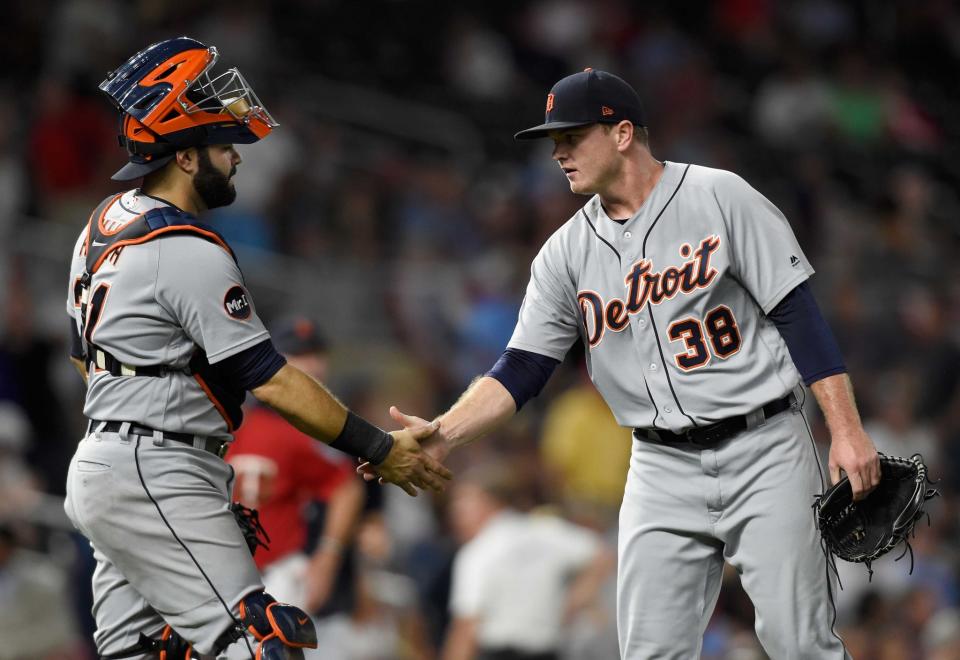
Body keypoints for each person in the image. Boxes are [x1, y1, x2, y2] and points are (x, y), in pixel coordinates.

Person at [366, 69, 880, 658]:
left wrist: (845, 430)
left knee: (800, 644)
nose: (558, 153)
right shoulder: (564, 254)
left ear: (622, 133)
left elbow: (800, 318)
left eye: (571, 136)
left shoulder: (719, 196)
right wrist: (445, 434)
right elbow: (521, 369)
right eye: (553, 141)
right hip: (660, 467)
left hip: (765, 446)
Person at [62, 37, 449, 660]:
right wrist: (380, 448)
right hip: (154, 469)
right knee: (261, 642)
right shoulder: (185, 247)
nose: (235, 158)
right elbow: (271, 379)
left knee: (145, 654)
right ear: (185, 158)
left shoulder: (99, 226)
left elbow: (83, 358)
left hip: (106, 463)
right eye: (222, 146)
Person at [225, 318, 364, 633]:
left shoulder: (323, 424)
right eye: (299, 355)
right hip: (231, 573)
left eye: (317, 354)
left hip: (286, 574)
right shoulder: (253, 424)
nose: (311, 365)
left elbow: (349, 489)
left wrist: (329, 557)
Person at [441, 463, 613, 660]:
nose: (455, 513)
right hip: (550, 653)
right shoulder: (547, 531)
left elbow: (466, 628)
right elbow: (602, 554)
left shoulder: (478, 552)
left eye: (464, 502)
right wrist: (578, 596)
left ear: (489, 501)